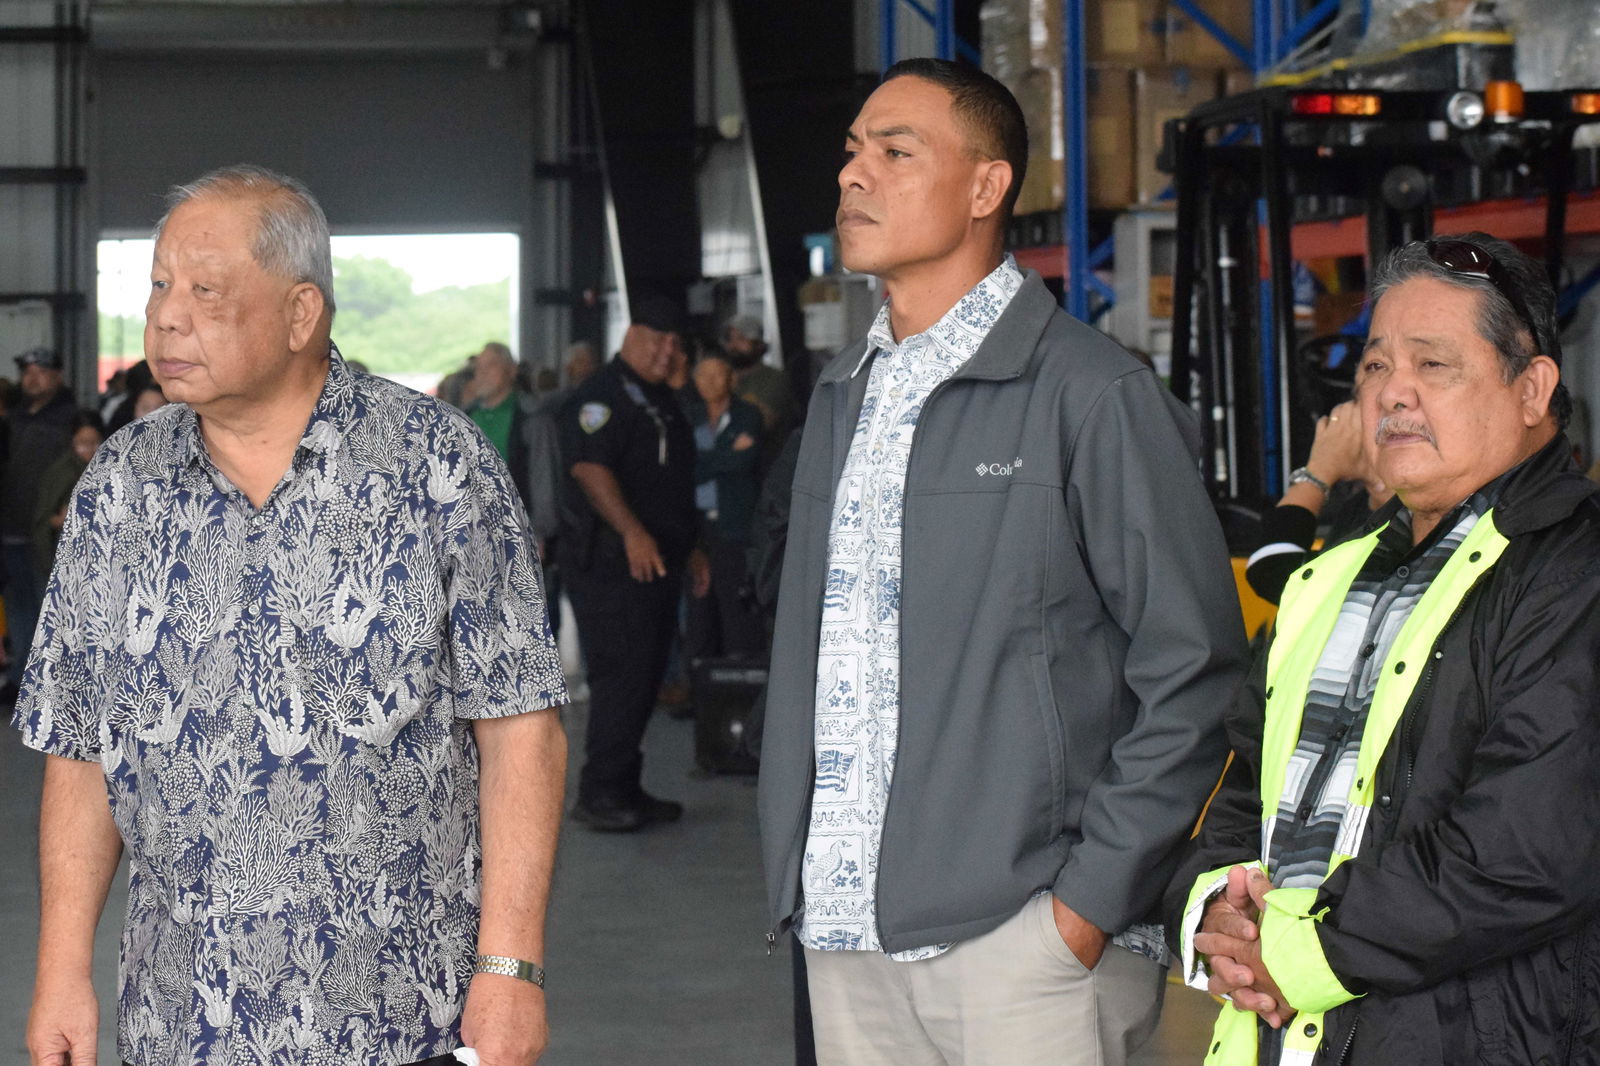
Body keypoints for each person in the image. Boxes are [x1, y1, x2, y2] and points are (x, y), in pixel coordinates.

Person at [13, 164, 568, 1066]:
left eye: (204, 290)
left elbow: (520, 729)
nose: (165, 316)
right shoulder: (120, 487)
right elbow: (80, 746)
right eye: (158, 285)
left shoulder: (435, 467)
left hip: (403, 1012)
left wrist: (512, 968)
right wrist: (60, 969)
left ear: (301, 314)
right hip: (181, 1015)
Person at [758, 58, 1248, 1064]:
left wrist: (1082, 908)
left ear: (986, 188)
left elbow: (1193, 667)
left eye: (896, 153)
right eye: (853, 151)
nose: (854, 175)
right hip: (843, 937)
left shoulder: (1089, 393)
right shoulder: (843, 393)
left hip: (1022, 950)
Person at [1168, 233, 1600, 1065]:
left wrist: (1289, 956)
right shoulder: (1322, 582)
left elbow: (1524, 851)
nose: (1391, 393)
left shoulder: (1573, 576)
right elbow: (1238, 794)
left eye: (1432, 365)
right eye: (1374, 366)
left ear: (1532, 389)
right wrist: (1213, 912)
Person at [560, 296, 709, 832]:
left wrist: (686, 545)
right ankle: (599, 793)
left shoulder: (656, 397)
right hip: (613, 565)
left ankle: (625, 785)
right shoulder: (601, 396)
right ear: (631, 335)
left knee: (645, 676)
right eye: (659, 341)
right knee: (622, 676)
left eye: (677, 345)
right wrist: (634, 533)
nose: (669, 353)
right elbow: (591, 471)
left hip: (656, 562)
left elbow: (665, 483)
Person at [1244, 398, 1391, 605]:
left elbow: (1274, 570)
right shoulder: (1357, 507)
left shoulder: (1425, 514)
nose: (1342, 418)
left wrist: (1320, 471)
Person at [0, 346, 76, 697]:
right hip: (11, 530)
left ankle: (49, 683)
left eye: (40, 370)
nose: (32, 377)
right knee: (19, 608)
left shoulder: (71, 420)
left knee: (54, 609)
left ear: (58, 375)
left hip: (48, 532)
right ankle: (20, 679)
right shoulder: (12, 419)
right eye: (26, 370)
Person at [685, 350, 765, 661]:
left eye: (717, 374)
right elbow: (684, 468)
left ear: (731, 379)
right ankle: (700, 681)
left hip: (735, 527)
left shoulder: (747, 415)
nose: (710, 382)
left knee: (736, 606)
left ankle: (739, 677)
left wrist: (704, 461)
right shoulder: (687, 417)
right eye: (703, 375)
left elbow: (744, 463)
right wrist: (725, 456)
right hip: (697, 528)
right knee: (699, 608)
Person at [468, 341, 563, 555]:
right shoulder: (466, 416)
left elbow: (543, 474)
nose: (482, 373)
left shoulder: (531, 417)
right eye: (479, 367)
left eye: (491, 366)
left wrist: (539, 532)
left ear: (511, 371)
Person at [30, 408, 103, 577]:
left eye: (96, 443)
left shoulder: (109, 469)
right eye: (83, 444)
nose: (89, 451)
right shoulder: (60, 472)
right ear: (72, 441)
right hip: (62, 560)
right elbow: (43, 519)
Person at [723, 313, 794, 456]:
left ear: (759, 344)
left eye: (742, 339)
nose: (734, 345)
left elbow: (762, 423)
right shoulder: (723, 376)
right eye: (731, 339)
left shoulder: (775, 378)